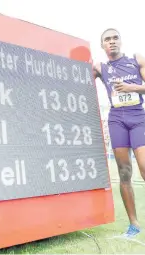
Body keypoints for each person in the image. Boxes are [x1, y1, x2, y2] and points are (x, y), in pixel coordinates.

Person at [93, 28, 145, 238]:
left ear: (121, 41)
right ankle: (133, 225)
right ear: (102, 45)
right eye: (107, 39)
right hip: (116, 120)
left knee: (144, 167)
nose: (112, 42)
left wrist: (132, 87)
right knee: (124, 172)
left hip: (138, 117)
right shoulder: (100, 67)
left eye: (115, 38)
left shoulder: (136, 59)